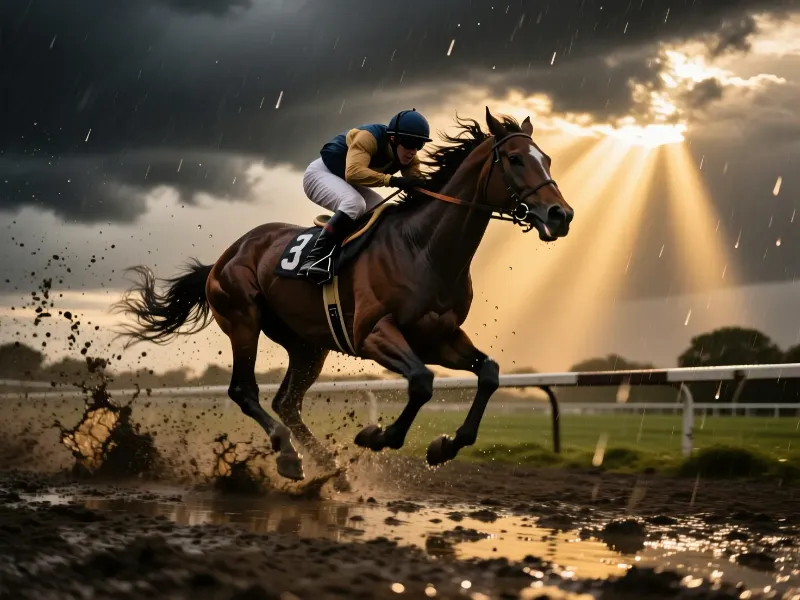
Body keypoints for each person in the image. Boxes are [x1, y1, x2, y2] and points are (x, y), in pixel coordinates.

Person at [298, 109, 433, 283]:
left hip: (344, 179)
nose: (413, 151)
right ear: (394, 138)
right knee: (354, 204)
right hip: (320, 174)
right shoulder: (368, 137)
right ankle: (314, 258)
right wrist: (393, 180)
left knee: (383, 211)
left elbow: (418, 186)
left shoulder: (409, 157)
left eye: (419, 145)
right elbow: (353, 173)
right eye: (409, 143)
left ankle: (356, 258)